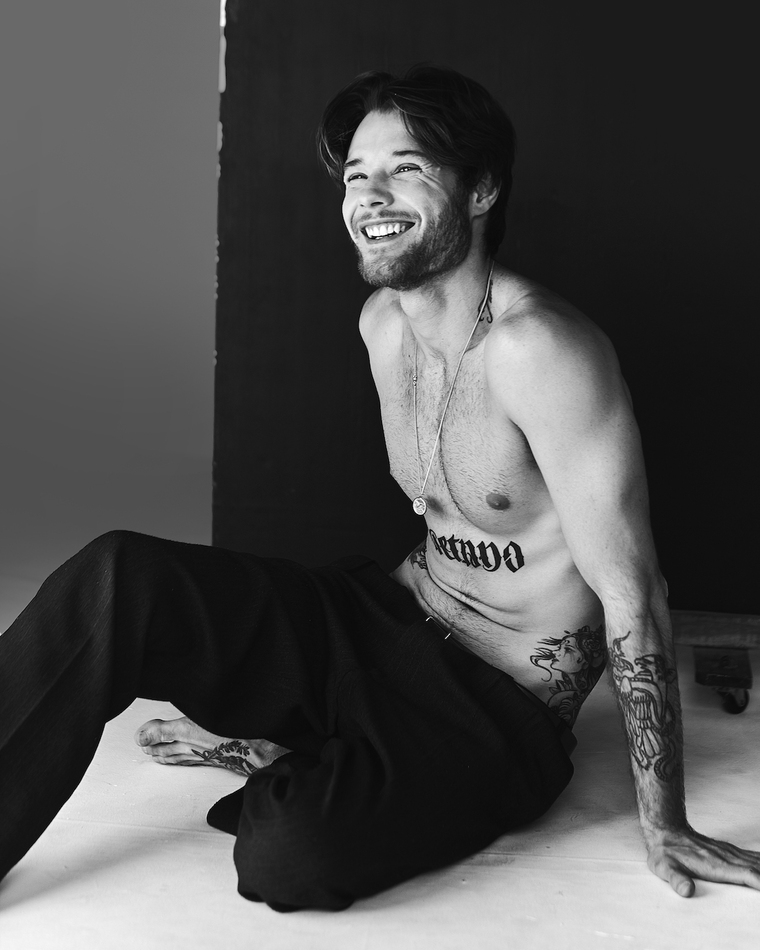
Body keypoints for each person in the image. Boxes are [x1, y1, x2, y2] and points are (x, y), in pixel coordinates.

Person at [1, 66, 758, 913]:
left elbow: (635, 591)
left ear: (482, 189)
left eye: (407, 168)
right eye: (357, 175)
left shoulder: (542, 351)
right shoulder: (382, 325)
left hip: (492, 704)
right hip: (378, 619)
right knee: (119, 577)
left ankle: (286, 752)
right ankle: (309, 743)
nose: (370, 195)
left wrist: (667, 822)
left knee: (286, 855)